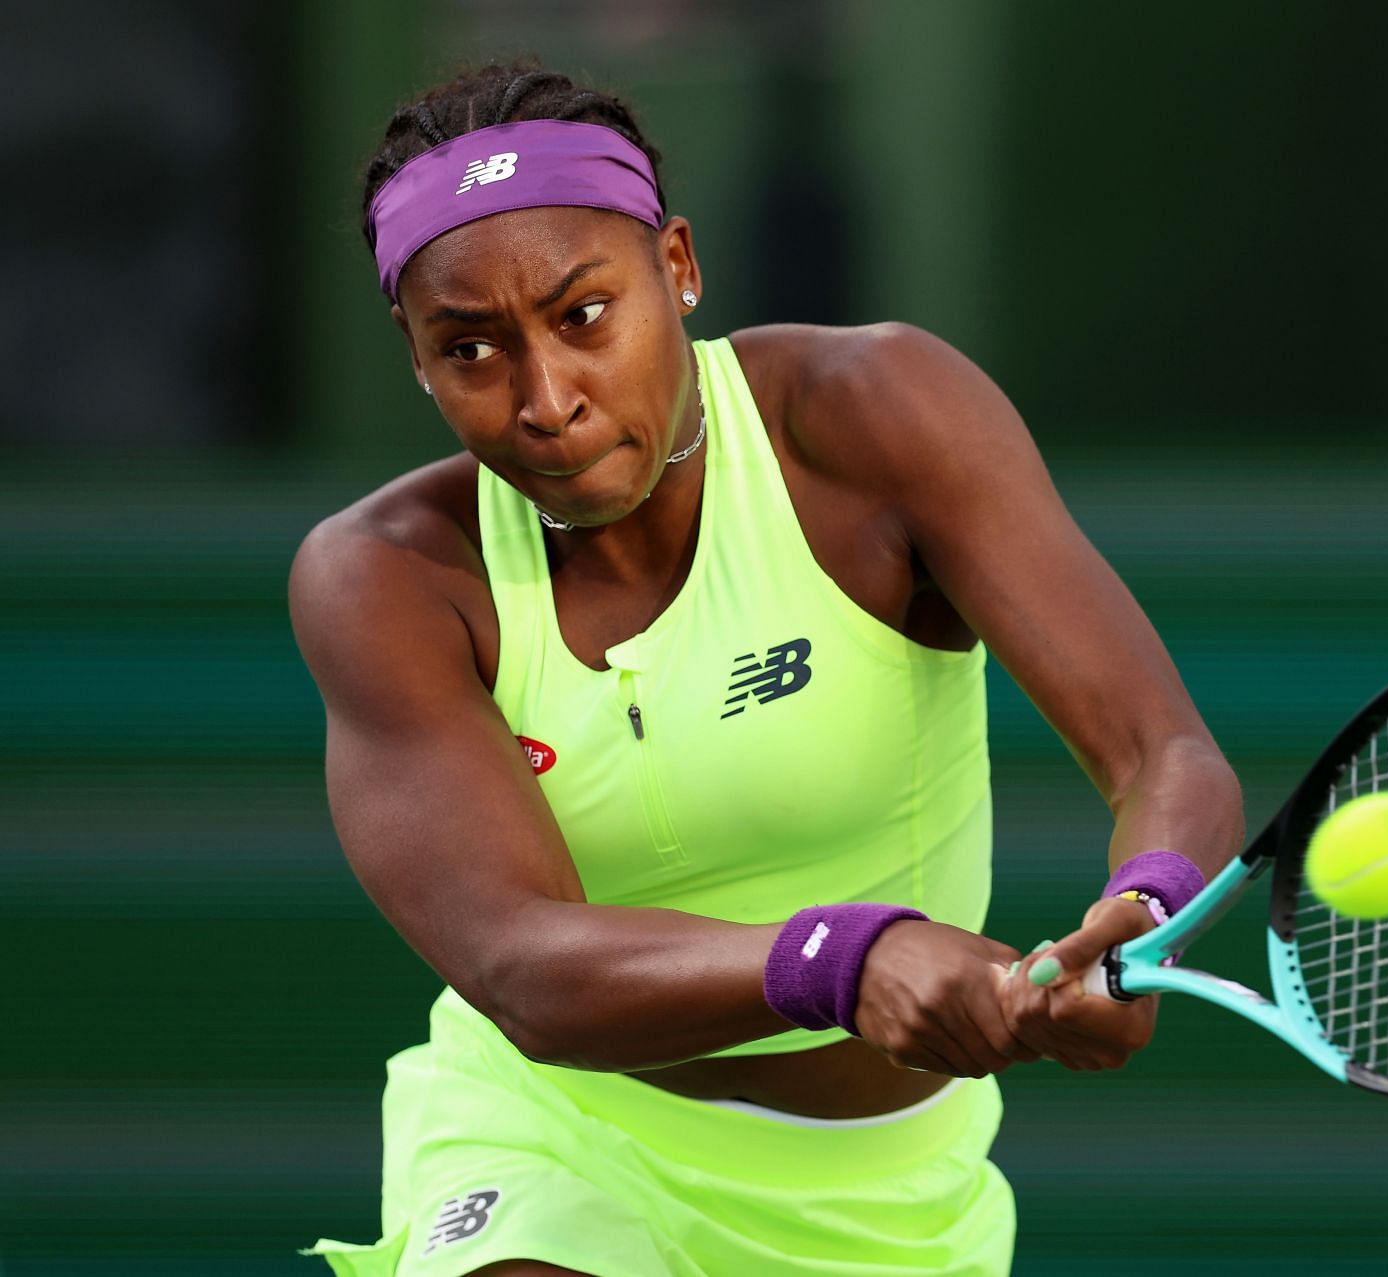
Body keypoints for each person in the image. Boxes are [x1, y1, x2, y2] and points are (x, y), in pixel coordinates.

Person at [292, 62, 1242, 1277]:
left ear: (678, 268)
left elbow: (1161, 750)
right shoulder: (383, 578)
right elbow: (519, 965)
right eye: (470, 348)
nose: (546, 399)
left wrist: (1149, 906)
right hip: (561, 1140)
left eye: (585, 314)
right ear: (418, 361)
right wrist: (844, 957)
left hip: (892, 1199)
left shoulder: (876, 416)